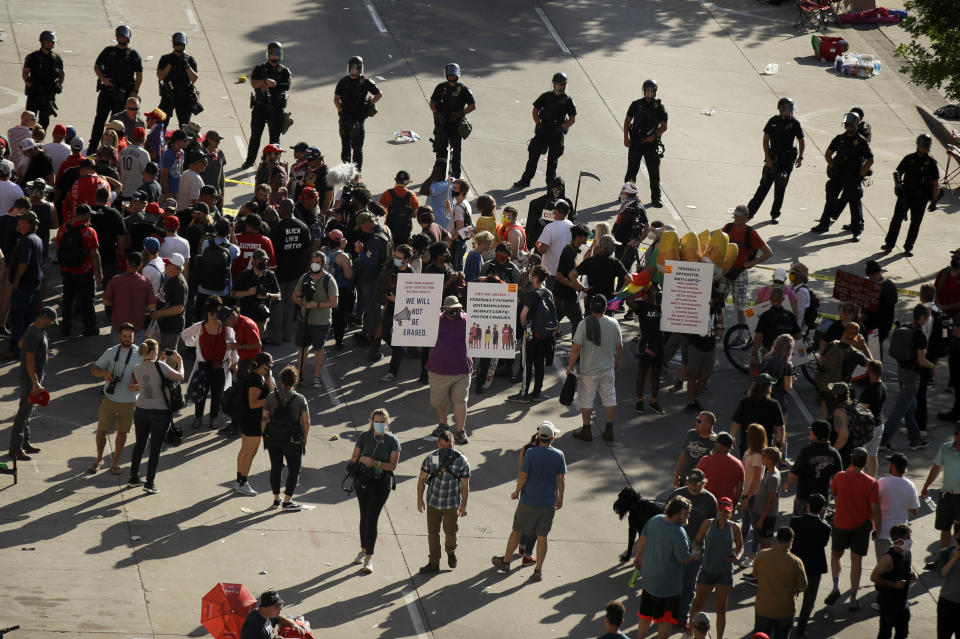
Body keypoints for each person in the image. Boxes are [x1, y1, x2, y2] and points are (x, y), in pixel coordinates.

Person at [492, 420, 566, 582]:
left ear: (539, 436)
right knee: (542, 536)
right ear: (552, 438)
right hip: (548, 504)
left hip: (528, 501)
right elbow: (561, 479)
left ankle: (505, 562)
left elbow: (523, 475)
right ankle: (538, 571)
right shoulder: (559, 455)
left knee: (517, 531)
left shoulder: (531, 453)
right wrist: (560, 498)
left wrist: (516, 491)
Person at [632, 495, 695, 639]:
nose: (688, 516)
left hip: (649, 581)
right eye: (686, 513)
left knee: (645, 615)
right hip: (667, 588)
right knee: (666, 619)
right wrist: (695, 555)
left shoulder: (656, 520)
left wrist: (638, 557)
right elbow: (683, 558)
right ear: (677, 513)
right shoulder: (679, 532)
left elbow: (642, 538)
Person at [826, 447, 881, 611]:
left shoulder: (839, 477)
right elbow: (875, 510)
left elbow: (835, 496)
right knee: (856, 562)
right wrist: (877, 528)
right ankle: (853, 598)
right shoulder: (871, 483)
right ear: (866, 462)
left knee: (836, 555)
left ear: (851, 460)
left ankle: (836, 585)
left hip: (841, 523)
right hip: (861, 526)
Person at [348, 408, 400, 573]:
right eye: (376, 421)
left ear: (387, 422)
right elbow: (354, 458)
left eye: (382, 422)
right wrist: (362, 460)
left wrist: (375, 463)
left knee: (372, 518)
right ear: (372, 422)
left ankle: (369, 557)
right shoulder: (364, 436)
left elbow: (392, 466)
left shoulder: (393, 441)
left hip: (381, 484)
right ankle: (363, 550)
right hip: (363, 481)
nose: (379, 424)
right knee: (364, 516)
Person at [128, 339, 184, 494]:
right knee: (155, 449)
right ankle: (149, 483)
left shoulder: (137, 368)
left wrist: (160, 362)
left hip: (141, 410)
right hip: (160, 412)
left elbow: (150, 380)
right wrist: (180, 362)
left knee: (140, 444)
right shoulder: (160, 366)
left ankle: (133, 478)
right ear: (153, 352)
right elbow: (180, 377)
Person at [811, 112, 874, 242]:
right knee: (830, 200)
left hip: (853, 176)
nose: (847, 126)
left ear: (855, 125)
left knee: (854, 204)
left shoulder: (861, 141)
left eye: (850, 124)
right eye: (846, 124)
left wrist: (860, 175)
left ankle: (856, 230)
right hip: (838, 175)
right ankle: (824, 224)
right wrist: (833, 167)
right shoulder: (839, 138)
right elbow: (828, 154)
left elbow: (870, 160)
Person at [569, 294, 623, 442]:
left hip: (589, 370)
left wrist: (570, 365)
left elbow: (576, 348)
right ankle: (609, 430)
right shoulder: (613, 323)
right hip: (608, 369)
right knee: (609, 398)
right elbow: (619, 346)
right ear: (606, 308)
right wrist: (618, 361)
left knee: (586, 400)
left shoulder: (584, 324)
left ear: (590, 306)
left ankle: (586, 431)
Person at [416, 428, 471, 574]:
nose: (446, 449)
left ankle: (450, 551)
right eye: (443, 446)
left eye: (449, 446)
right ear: (438, 444)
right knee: (433, 534)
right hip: (433, 502)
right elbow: (422, 479)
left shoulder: (461, 460)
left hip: (451, 504)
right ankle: (434, 562)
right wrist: (419, 500)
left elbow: (465, 485)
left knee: (451, 532)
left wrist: (464, 505)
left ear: (454, 443)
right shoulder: (432, 458)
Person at [880, 304, 934, 450]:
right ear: (922, 317)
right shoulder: (920, 335)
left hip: (901, 370)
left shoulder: (906, 327)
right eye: (927, 317)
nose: (928, 319)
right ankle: (883, 441)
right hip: (912, 375)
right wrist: (932, 366)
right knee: (900, 410)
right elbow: (922, 360)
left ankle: (915, 439)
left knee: (909, 407)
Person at [90, 323, 142, 474]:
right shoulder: (111, 352)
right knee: (101, 431)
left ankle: (115, 462)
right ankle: (99, 458)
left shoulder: (140, 353)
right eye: (124, 336)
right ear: (119, 336)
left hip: (129, 400)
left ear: (134, 337)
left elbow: (146, 377)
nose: (127, 339)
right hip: (110, 398)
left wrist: (139, 386)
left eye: (130, 336)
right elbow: (94, 369)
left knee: (122, 433)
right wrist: (104, 373)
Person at [688, 497, 742, 639]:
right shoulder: (708, 524)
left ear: (731, 512)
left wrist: (737, 556)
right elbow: (696, 541)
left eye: (727, 511)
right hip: (707, 571)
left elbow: (740, 547)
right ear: (717, 510)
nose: (724, 513)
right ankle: (689, 633)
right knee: (697, 605)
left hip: (725, 573)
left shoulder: (734, 527)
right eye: (721, 510)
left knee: (721, 609)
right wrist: (696, 550)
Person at [671, 468, 719, 627]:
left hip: (696, 547)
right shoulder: (677, 495)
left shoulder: (710, 500)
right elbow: (667, 518)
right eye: (691, 483)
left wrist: (698, 542)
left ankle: (683, 616)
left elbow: (712, 525)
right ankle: (669, 613)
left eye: (697, 484)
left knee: (689, 583)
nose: (693, 487)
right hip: (675, 545)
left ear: (704, 483)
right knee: (673, 581)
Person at [513, 72, 577, 188]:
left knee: (553, 160)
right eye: (558, 84)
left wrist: (562, 128)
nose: (559, 86)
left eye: (562, 84)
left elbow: (572, 119)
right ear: (554, 84)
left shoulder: (568, 100)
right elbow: (535, 111)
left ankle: (550, 183)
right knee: (533, 156)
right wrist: (538, 124)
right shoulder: (546, 96)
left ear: (565, 85)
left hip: (557, 133)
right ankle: (526, 180)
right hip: (543, 130)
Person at [181, 296, 237, 430]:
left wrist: (234, 362)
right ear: (206, 312)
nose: (213, 315)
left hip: (219, 367)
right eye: (211, 312)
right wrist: (195, 343)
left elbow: (233, 346)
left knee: (217, 395)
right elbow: (184, 335)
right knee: (201, 393)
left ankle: (213, 418)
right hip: (203, 367)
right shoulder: (199, 326)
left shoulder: (227, 328)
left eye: (216, 312)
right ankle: (198, 418)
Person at [8, 306, 56, 460]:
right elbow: (29, 359)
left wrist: (43, 354)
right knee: (23, 414)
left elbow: (21, 344)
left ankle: (24, 443)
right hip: (30, 380)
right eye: (50, 320)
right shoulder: (34, 333)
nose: (50, 323)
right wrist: (35, 383)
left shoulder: (34, 329)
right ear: (45, 317)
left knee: (27, 412)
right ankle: (15, 448)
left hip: (33, 379)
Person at [747, 98, 805, 223]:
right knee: (763, 187)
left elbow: (801, 140)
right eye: (785, 109)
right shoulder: (773, 121)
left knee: (780, 189)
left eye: (789, 109)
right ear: (780, 109)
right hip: (773, 160)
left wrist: (800, 157)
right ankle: (749, 213)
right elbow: (765, 140)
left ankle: (775, 214)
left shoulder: (795, 123)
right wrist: (767, 158)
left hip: (786, 162)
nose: (788, 111)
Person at [261, 365, 309, 511]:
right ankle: (287, 501)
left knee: (275, 467)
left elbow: (264, 419)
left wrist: (264, 434)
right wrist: (305, 438)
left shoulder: (271, 397)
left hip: (273, 438)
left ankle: (276, 499)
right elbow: (306, 421)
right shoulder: (300, 399)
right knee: (294, 470)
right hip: (293, 439)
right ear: (295, 381)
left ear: (281, 381)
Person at [882, 134, 940, 256]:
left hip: (921, 198)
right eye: (922, 146)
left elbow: (936, 183)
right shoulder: (909, 158)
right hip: (905, 195)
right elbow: (898, 173)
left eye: (925, 146)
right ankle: (889, 244)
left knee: (915, 223)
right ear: (917, 145)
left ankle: (909, 247)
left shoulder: (931, 163)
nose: (923, 148)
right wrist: (897, 186)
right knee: (896, 219)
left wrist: (934, 200)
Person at [425, 296, 472, 444]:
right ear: (444, 309)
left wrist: (506, 344)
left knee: (460, 401)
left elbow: (486, 333)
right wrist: (399, 331)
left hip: (462, 369)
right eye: (449, 310)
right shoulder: (434, 319)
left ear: (460, 308)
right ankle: (443, 424)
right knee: (440, 401)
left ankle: (460, 431)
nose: (452, 312)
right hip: (438, 369)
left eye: (456, 309)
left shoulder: (469, 319)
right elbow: (414, 329)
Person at [90, 26, 143, 156]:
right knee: (100, 120)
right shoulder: (109, 51)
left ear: (128, 38)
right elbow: (97, 66)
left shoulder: (133, 54)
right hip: (107, 91)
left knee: (117, 123)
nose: (122, 38)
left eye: (124, 36)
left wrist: (135, 91)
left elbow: (139, 75)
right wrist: (103, 79)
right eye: (120, 36)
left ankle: (116, 148)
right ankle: (93, 147)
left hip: (123, 94)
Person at [720, 205, 773, 327]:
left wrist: (752, 263)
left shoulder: (751, 233)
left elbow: (768, 252)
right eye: (735, 216)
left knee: (740, 307)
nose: (736, 218)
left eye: (739, 216)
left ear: (746, 217)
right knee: (718, 302)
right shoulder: (728, 228)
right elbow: (718, 245)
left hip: (740, 274)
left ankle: (740, 336)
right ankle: (719, 329)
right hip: (724, 271)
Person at [267, 198, 311, 345]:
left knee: (278, 303)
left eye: (281, 208)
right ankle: (287, 334)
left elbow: (270, 251)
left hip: (279, 273)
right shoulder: (303, 227)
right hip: (296, 272)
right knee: (291, 302)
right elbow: (307, 250)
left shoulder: (277, 229)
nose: (279, 210)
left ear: (285, 210)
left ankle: (276, 335)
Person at [752, 526, 807, 639]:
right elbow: (802, 586)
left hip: (763, 608)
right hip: (785, 611)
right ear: (791, 541)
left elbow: (755, 574)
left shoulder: (762, 555)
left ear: (776, 539)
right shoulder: (795, 561)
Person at [242, 42, 291, 168]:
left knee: (275, 138)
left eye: (277, 53)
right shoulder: (260, 68)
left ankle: (273, 162)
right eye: (272, 53)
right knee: (255, 136)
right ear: (268, 54)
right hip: (260, 106)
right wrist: (264, 82)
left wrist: (273, 84)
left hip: (276, 108)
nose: (275, 56)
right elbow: (253, 83)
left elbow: (287, 85)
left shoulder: (284, 70)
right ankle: (250, 160)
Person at [789, 493, 832, 638]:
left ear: (807, 505)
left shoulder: (795, 522)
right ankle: (800, 630)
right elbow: (824, 544)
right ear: (822, 509)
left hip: (796, 565)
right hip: (815, 567)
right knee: (809, 601)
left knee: (791, 596)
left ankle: (786, 625)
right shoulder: (825, 528)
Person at [56, 203, 102, 336]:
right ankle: (89, 328)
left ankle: (66, 327)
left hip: (67, 270)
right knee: (87, 300)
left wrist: (62, 265)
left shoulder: (64, 228)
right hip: (84, 271)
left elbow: (58, 249)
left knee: (68, 299)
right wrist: (99, 272)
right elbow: (94, 254)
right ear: (86, 215)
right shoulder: (89, 231)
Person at [510, 265, 555, 403]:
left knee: (527, 364)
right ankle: (536, 393)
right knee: (539, 363)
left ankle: (523, 393)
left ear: (534, 277)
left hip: (531, 334)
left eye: (531, 274)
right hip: (545, 334)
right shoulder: (548, 292)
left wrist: (524, 326)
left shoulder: (531, 294)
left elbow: (523, 314)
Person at [294, 250, 338, 388]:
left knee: (318, 349)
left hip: (321, 322)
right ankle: (298, 376)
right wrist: (299, 301)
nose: (314, 265)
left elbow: (334, 302)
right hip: (304, 319)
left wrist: (316, 305)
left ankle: (316, 377)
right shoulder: (305, 277)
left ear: (323, 264)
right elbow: (295, 295)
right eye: (312, 262)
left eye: (317, 262)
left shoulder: (329, 280)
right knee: (302, 349)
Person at [5, 210, 44, 358]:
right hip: (33, 284)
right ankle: (29, 348)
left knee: (19, 317)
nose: (18, 224)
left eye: (20, 221)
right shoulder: (36, 239)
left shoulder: (27, 240)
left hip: (24, 285)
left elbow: (23, 263)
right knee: (29, 318)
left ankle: (15, 348)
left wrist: (16, 280)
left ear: (27, 224)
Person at [623, 79, 668, 207]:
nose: (649, 93)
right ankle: (626, 194)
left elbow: (664, 126)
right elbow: (627, 121)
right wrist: (626, 138)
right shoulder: (636, 104)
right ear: (644, 91)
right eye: (647, 90)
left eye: (651, 91)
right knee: (632, 170)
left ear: (655, 92)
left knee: (654, 172)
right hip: (637, 141)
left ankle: (656, 198)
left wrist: (654, 136)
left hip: (651, 143)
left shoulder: (659, 107)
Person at [233, 352, 273, 495]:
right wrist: (271, 397)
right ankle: (243, 482)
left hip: (248, 419)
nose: (271, 367)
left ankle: (239, 481)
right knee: (250, 452)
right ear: (263, 365)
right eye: (270, 365)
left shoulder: (256, 377)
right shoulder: (255, 380)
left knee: (245, 450)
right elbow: (253, 403)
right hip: (253, 421)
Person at [783, 420, 843, 516]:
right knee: (818, 524)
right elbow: (838, 478)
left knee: (800, 524)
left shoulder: (806, 451)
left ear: (815, 434)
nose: (810, 432)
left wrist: (787, 484)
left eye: (811, 430)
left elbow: (795, 473)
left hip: (805, 497)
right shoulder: (834, 453)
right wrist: (838, 501)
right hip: (823, 498)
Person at [334, 56, 381, 171]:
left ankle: (356, 173)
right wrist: (340, 110)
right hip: (345, 119)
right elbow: (336, 98)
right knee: (345, 148)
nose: (354, 71)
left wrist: (370, 103)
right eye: (352, 68)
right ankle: (346, 172)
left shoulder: (365, 82)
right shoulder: (343, 81)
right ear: (349, 68)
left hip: (358, 119)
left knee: (357, 148)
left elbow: (379, 94)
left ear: (360, 69)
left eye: (356, 69)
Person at [429, 63, 476, 179]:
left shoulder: (464, 89)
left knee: (454, 151)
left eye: (453, 78)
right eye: (450, 78)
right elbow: (432, 102)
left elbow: (472, 105)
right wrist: (436, 113)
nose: (452, 80)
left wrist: (460, 113)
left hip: (455, 125)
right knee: (441, 148)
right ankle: (441, 172)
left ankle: (454, 174)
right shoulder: (441, 87)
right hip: (442, 123)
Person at [870, 523, 916, 639]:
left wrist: (910, 574)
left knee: (902, 633)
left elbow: (905, 568)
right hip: (888, 602)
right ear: (899, 541)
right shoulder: (888, 557)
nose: (911, 540)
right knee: (885, 632)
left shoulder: (907, 553)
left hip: (902, 601)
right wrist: (894, 584)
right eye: (908, 538)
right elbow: (874, 577)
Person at [920, 425, 960, 555]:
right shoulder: (945, 448)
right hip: (946, 495)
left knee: (959, 532)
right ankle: (944, 558)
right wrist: (926, 486)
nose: (957, 436)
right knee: (944, 528)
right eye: (956, 433)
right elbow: (936, 468)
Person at [876, 452, 919, 559]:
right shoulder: (910, 485)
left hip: (883, 532)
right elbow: (914, 510)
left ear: (893, 466)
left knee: (882, 567)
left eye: (890, 463)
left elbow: (874, 504)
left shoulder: (882, 482)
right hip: (902, 536)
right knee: (898, 567)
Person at [731, 374, 785, 459]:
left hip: (747, 443)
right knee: (763, 468)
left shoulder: (745, 402)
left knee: (746, 467)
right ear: (768, 387)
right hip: (765, 445)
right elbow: (780, 426)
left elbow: (736, 422)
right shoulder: (773, 404)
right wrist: (781, 441)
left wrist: (732, 436)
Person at [552, 223, 589, 336]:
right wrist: (573, 285)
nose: (587, 238)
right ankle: (576, 348)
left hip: (561, 294)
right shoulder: (568, 252)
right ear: (578, 237)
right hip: (566, 295)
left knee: (554, 318)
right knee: (577, 320)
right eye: (585, 236)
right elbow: (558, 275)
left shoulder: (572, 248)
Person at [23, 31, 64, 131]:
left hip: (48, 95)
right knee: (29, 121)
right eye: (48, 41)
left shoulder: (56, 59)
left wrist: (60, 84)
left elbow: (62, 73)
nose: (51, 44)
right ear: (42, 42)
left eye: (52, 42)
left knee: (44, 122)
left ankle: (39, 140)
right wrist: (30, 85)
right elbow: (25, 74)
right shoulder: (33, 57)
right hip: (34, 95)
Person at [157, 32, 199, 127]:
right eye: (177, 44)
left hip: (184, 96)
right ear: (173, 44)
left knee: (184, 125)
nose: (179, 47)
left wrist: (187, 66)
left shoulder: (190, 59)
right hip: (168, 95)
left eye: (181, 45)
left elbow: (194, 79)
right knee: (160, 123)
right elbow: (160, 77)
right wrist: (170, 65)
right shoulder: (165, 58)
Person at [862, 260, 899, 358]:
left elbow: (871, 310)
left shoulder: (875, 289)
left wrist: (863, 316)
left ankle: (875, 370)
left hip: (874, 326)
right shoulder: (890, 284)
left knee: (874, 352)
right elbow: (895, 300)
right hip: (886, 325)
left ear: (872, 275)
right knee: (878, 349)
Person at [696, 432, 744, 505]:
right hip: (725, 507)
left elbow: (696, 479)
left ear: (719, 445)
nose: (714, 444)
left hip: (705, 503)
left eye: (715, 442)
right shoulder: (739, 464)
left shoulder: (705, 460)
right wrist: (734, 505)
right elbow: (740, 489)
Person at [152, 253, 187, 352]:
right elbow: (164, 296)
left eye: (167, 264)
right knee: (161, 350)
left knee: (168, 353)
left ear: (175, 267)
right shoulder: (170, 278)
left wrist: (159, 313)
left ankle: (170, 367)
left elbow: (179, 308)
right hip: (165, 324)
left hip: (172, 326)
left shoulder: (179, 284)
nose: (165, 266)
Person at [674, 412, 717, 487]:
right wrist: (677, 475)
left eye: (699, 421)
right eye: (696, 419)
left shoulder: (715, 441)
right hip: (684, 479)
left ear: (708, 425)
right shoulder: (691, 434)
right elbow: (683, 455)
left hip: (699, 484)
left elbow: (714, 467)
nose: (696, 422)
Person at [239, 590, 305, 639]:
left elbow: (278, 618)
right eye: (277, 606)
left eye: (281, 605)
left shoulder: (268, 614)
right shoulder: (253, 627)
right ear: (266, 607)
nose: (280, 609)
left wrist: (293, 624)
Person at [935, 521, 960, 639]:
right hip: (947, 603)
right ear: (957, 535)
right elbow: (942, 574)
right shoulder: (946, 552)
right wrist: (954, 558)